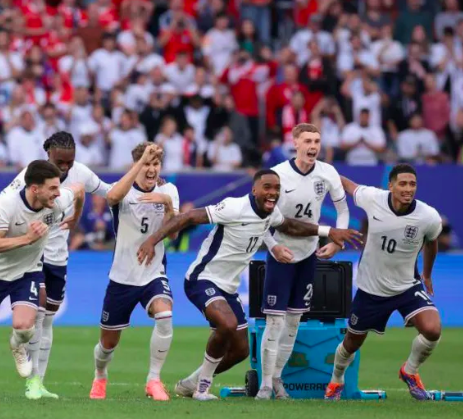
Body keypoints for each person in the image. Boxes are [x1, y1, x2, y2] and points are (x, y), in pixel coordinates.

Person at [136, 169, 362, 401]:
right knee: (227, 324)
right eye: (267, 187)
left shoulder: (271, 214)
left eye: (276, 188)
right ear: (254, 190)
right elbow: (188, 217)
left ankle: (189, 384)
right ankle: (202, 388)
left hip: (229, 288)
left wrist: (329, 231)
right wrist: (152, 241)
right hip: (203, 279)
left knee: (240, 350)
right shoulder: (233, 207)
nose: (272, 193)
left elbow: (291, 226)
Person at [0, 160, 84, 400]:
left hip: (28, 271)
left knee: (25, 328)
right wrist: (27, 238)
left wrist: (74, 219)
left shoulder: (56, 201)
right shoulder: (6, 205)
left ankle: (17, 345)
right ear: (35, 189)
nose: (58, 193)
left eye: (58, 188)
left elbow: (78, 189)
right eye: (53, 188)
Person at [0, 131, 107, 399]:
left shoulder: (80, 173)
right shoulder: (32, 174)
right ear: (48, 154)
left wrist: (140, 177)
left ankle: (38, 381)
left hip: (59, 257)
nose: (65, 168)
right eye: (61, 161)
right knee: (39, 310)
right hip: (34, 254)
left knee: (48, 319)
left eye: (70, 162)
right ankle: (26, 366)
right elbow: (7, 201)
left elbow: (108, 192)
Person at [325, 164, 443, 401]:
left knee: (432, 329)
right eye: (402, 183)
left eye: (412, 184)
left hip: (407, 286)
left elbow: (432, 242)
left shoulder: (428, 216)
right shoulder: (373, 198)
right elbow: (348, 186)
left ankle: (409, 372)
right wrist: (323, 173)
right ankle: (336, 379)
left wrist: (427, 275)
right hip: (371, 288)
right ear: (391, 186)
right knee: (351, 343)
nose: (408, 189)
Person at [256, 123, 350, 400]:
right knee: (274, 323)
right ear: (295, 143)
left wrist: (336, 241)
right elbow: (260, 218)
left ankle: (277, 380)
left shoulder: (328, 172)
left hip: (308, 254)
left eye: (317, 141)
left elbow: (343, 209)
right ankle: (263, 384)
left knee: (294, 322)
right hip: (281, 255)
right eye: (307, 140)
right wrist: (272, 247)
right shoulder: (279, 175)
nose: (313, 146)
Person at [88, 143, 179, 401]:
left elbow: (174, 233)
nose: (151, 169)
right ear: (136, 165)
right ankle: (100, 376)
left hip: (153, 273)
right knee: (108, 344)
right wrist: (139, 164)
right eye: (146, 164)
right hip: (123, 277)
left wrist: (169, 205)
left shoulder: (168, 190)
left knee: (165, 315)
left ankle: (153, 380)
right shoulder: (124, 190)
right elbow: (111, 197)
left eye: (155, 164)